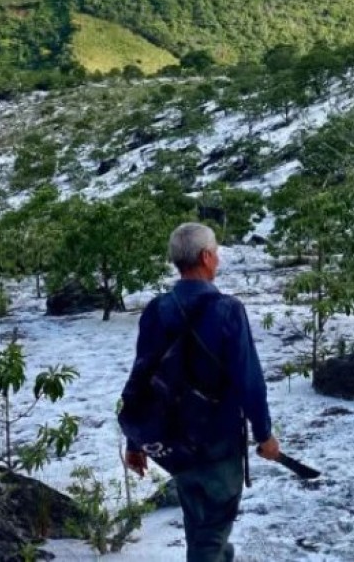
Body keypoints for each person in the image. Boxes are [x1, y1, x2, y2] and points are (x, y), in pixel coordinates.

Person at [121, 222, 280, 561]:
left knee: (203, 528)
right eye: (217, 252)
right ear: (207, 257)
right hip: (217, 442)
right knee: (209, 538)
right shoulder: (227, 310)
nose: (218, 259)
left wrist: (136, 441)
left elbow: (141, 377)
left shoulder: (156, 309)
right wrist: (264, 435)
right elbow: (249, 380)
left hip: (175, 441)